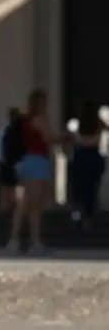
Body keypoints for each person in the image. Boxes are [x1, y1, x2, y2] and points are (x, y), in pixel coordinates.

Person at [6, 88, 66, 255]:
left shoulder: (26, 119)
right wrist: (65, 138)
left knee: (29, 204)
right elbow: (48, 138)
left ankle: (28, 240)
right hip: (37, 161)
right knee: (32, 205)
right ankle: (24, 241)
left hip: (29, 161)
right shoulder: (39, 118)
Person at [67, 100, 106, 236]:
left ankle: (76, 214)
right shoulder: (98, 124)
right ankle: (88, 219)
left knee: (78, 189)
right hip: (93, 156)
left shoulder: (75, 124)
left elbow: (70, 139)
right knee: (91, 189)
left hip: (80, 157)